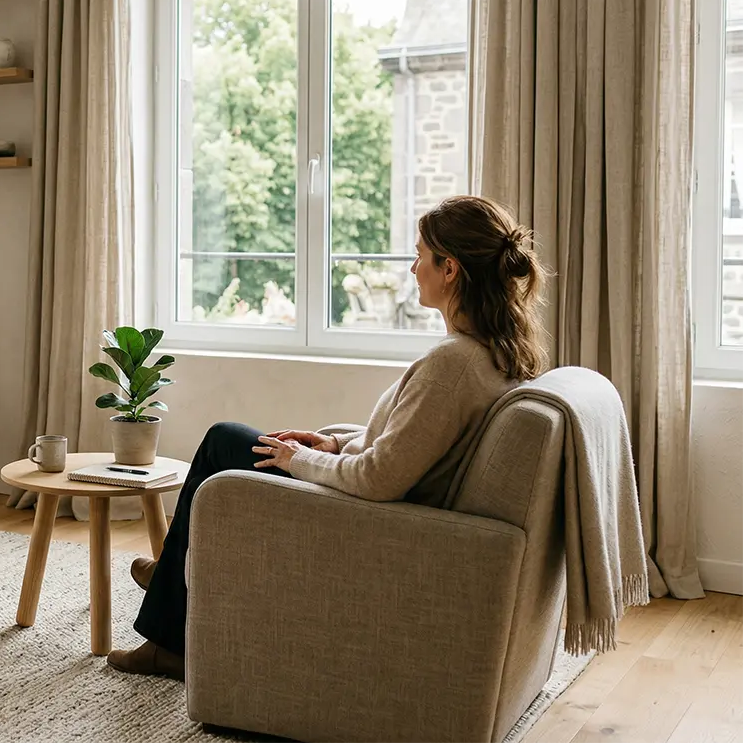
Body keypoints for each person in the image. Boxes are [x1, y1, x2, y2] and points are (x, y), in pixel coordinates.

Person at [107, 195, 549, 680]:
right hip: (375, 500)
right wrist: (334, 444)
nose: (411, 267)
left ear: (450, 269)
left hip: (362, 517)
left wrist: (296, 460)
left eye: (420, 255)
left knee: (223, 440)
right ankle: (173, 575)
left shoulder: (453, 364)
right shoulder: (497, 354)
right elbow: (411, 441)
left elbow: (380, 479)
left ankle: (168, 638)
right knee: (236, 441)